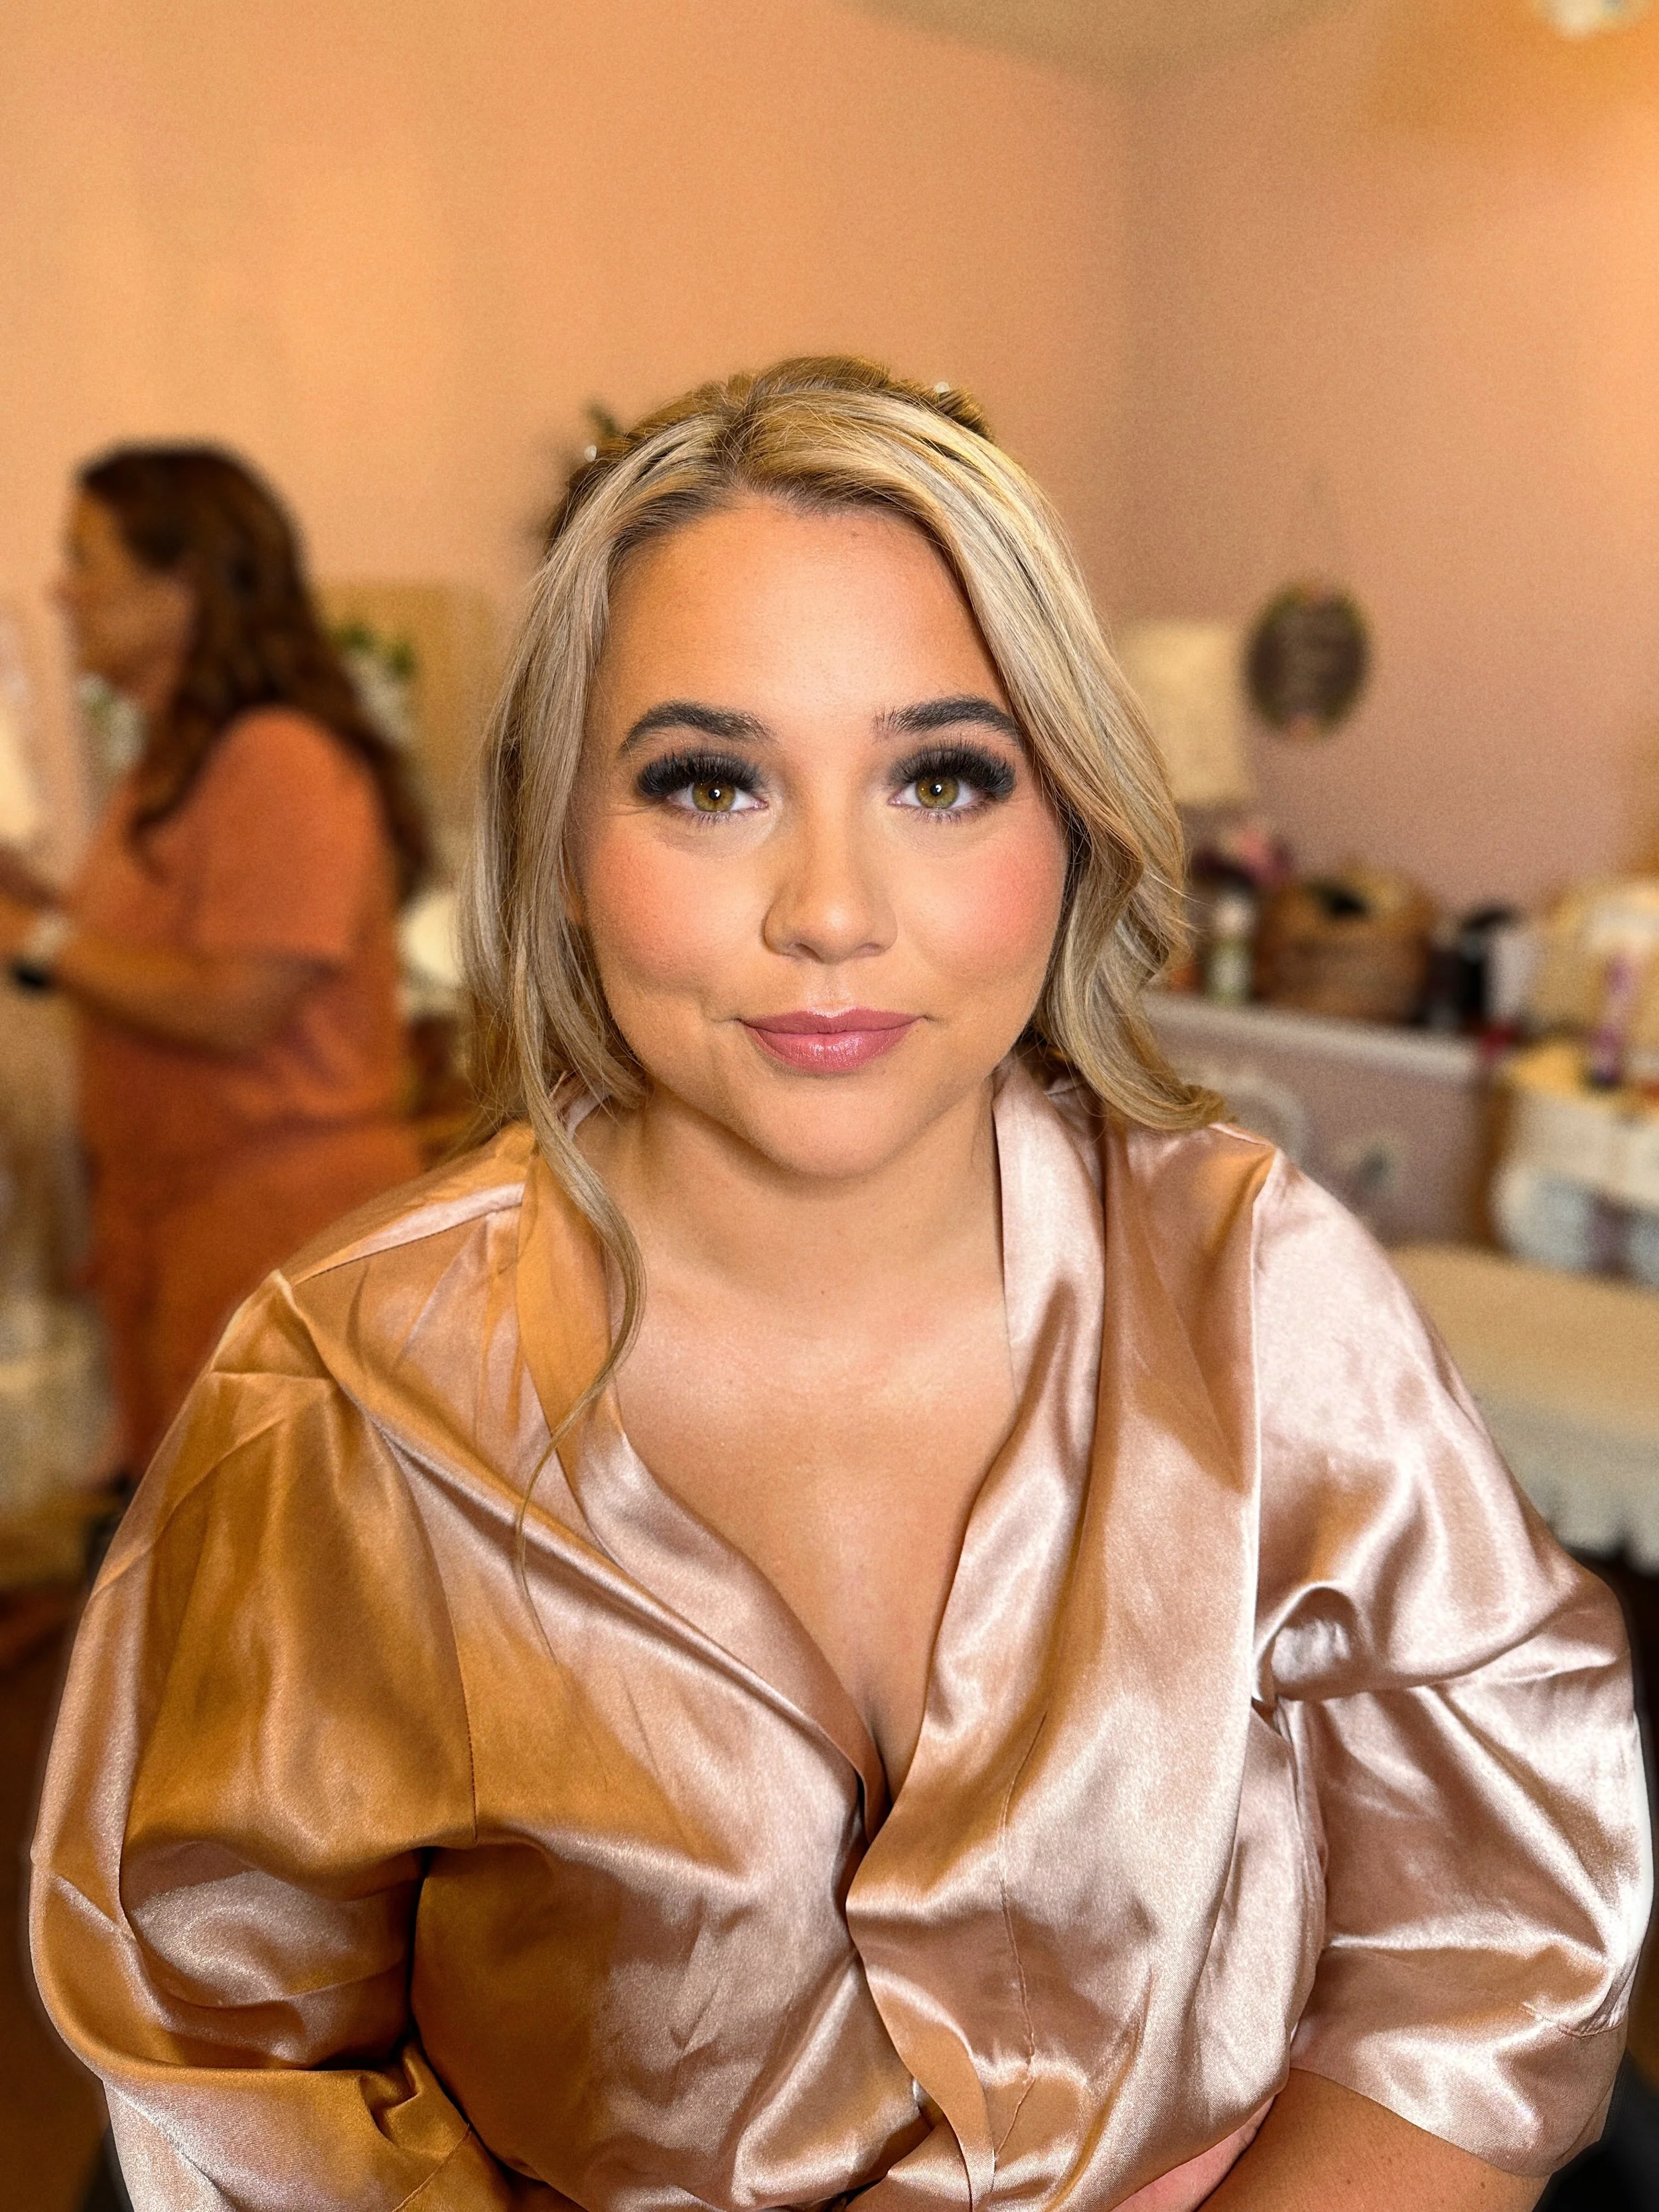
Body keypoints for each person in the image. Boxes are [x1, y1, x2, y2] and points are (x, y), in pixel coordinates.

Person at [30, 362, 1650, 2210]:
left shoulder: (1261, 1293)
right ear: (565, 847)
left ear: (1071, 820)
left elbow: (1493, 1922)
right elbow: (228, 2061)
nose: (828, 905)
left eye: (941, 774)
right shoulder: (337, 1403)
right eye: (708, 780)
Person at [0, 445, 428, 1472]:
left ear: (183, 584)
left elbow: (240, 999)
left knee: (276, 1581)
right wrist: (29, 899)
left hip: (278, 1226)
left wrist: (35, 941)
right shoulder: (169, 765)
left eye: (87, 560)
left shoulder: (279, 756)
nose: (64, 593)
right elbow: (138, 959)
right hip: (176, 1227)